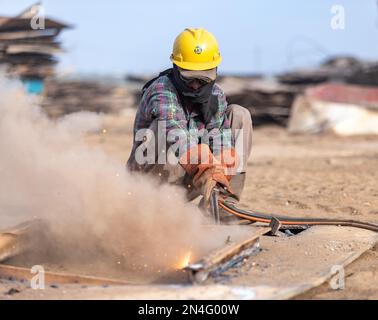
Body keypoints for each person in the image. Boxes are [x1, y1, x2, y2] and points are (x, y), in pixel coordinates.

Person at [127, 28, 253, 221]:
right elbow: (176, 133)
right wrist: (208, 172)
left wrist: (219, 177)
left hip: (191, 180)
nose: (195, 85)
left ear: (215, 71)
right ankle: (158, 211)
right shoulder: (161, 90)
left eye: (203, 78)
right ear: (176, 68)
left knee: (240, 114)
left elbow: (221, 139)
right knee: (160, 131)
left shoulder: (216, 96)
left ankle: (221, 204)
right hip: (149, 185)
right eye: (189, 77)